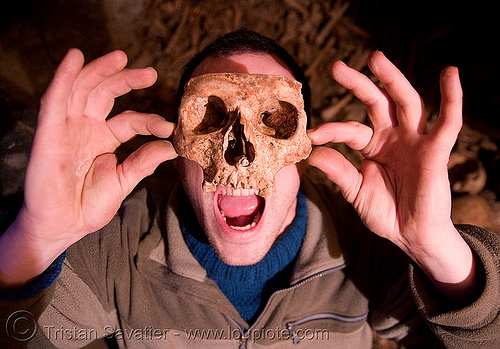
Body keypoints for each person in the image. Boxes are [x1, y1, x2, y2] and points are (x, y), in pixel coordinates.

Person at [0, 29, 499, 348]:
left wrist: (437, 253)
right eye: (211, 118)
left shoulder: (366, 253)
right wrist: (34, 243)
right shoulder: (114, 254)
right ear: (178, 145)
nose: (240, 153)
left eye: (274, 122)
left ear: (301, 144)